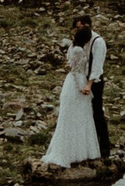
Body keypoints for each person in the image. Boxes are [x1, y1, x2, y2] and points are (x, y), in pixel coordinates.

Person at [41, 26, 102, 167]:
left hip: (73, 81)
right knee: (79, 115)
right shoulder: (78, 50)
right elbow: (75, 71)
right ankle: (77, 152)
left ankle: (73, 151)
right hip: (77, 80)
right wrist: (82, 87)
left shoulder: (72, 47)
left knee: (74, 115)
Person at [73, 13, 112, 160]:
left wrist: (89, 84)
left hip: (94, 81)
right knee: (84, 113)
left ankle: (104, 149)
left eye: (79, 27)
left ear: (86, 25)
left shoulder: (98, 42)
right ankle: (87, 146)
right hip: (83, 79)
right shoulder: (82, 40)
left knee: (97, 113)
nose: (77, 31)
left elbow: (97, 67)